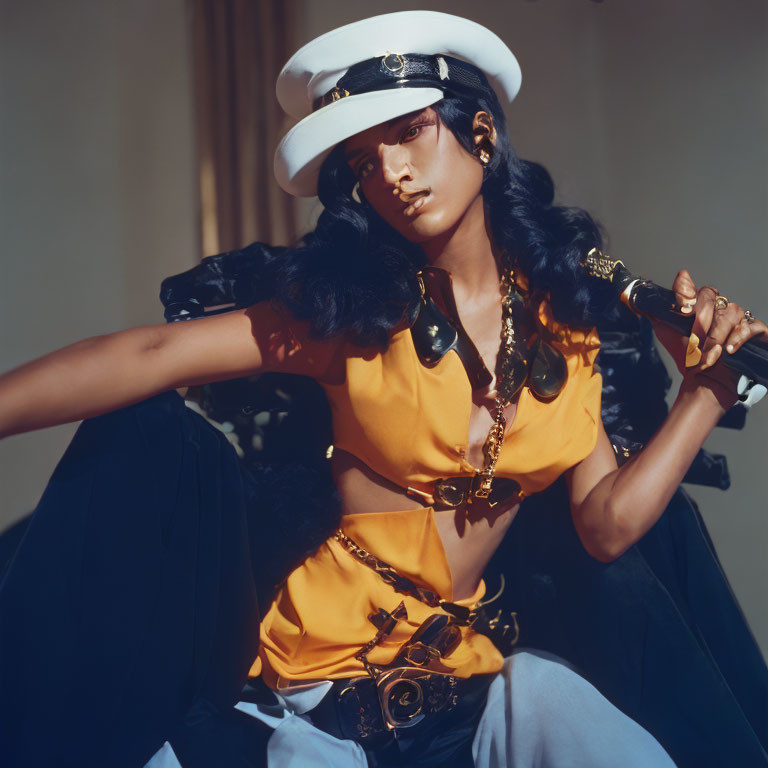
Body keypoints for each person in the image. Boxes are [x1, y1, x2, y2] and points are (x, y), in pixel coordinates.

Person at [0, 10, 766, 768]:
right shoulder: (355, 318)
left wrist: (705, 393)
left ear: (481, 132)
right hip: (312, 699)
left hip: (462, 697)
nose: (392, 173)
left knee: (569, 709)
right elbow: (156, 351)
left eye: (408, 132)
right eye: (365, 162)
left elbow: (606, 524)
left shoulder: (566, 325)